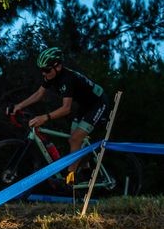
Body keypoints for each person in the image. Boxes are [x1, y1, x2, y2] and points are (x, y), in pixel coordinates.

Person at [7, 47, 108, 183]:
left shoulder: (67, 78)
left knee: (75, 139)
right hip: (85, 106)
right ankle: (86, 172)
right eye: (41, 70)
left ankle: (70, 180)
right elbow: (39, 94)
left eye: (47, 70)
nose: (44, 74)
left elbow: (66, 109)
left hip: (98, 103)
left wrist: (44, 117)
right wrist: (19, 106)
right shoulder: (51, 75)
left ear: (58, 66)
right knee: (74, 141)